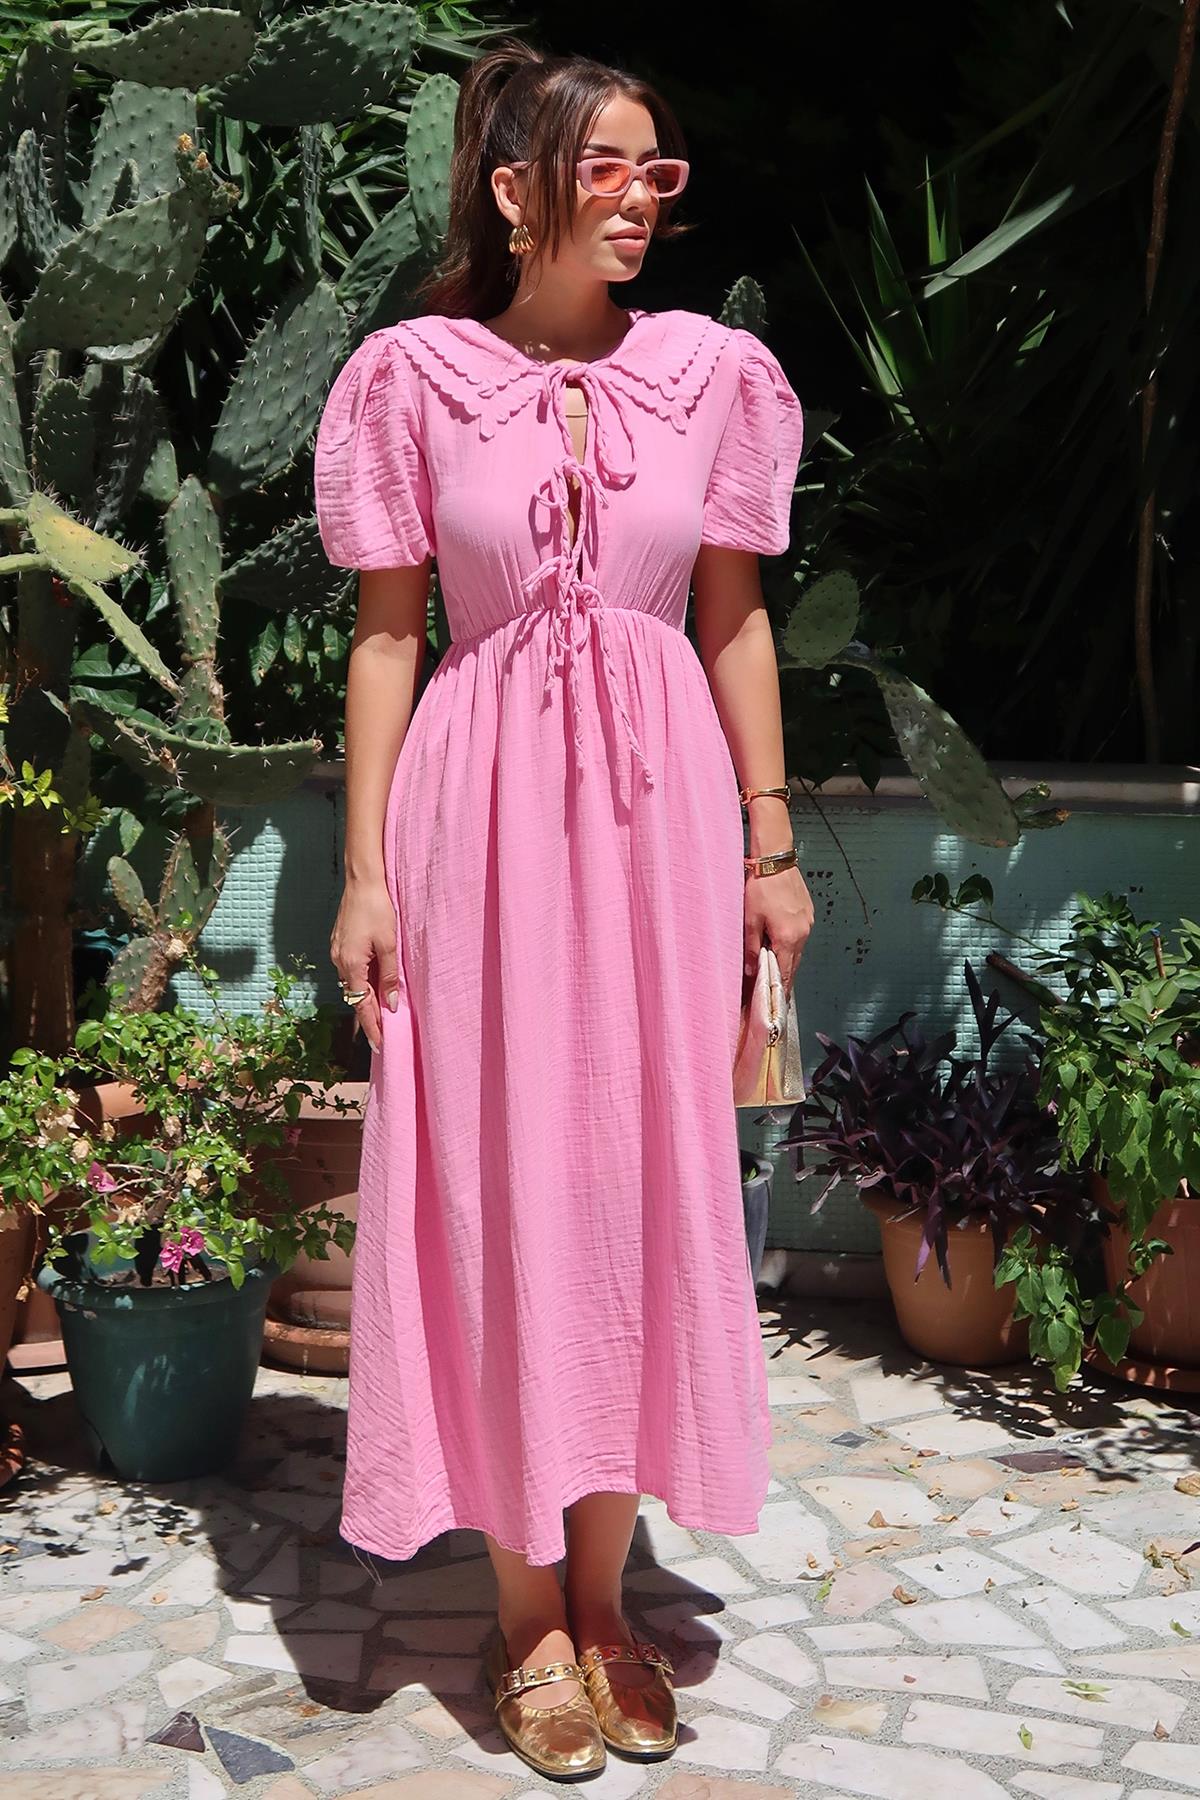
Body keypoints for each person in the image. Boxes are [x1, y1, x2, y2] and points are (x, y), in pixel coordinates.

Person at [313, 33, 813, 1782]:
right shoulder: (412, 375)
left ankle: (606, 1605)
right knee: (498, 1182)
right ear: (515, 187)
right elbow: (388, 636)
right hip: (479, 823)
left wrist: (769, 844)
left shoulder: (716, 375)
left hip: (664, 823)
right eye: (610, 168)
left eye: (660, 172)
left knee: (633, 1185)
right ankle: (525, 1615)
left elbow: (734, 615)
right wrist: (364, 874)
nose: (643, 201)